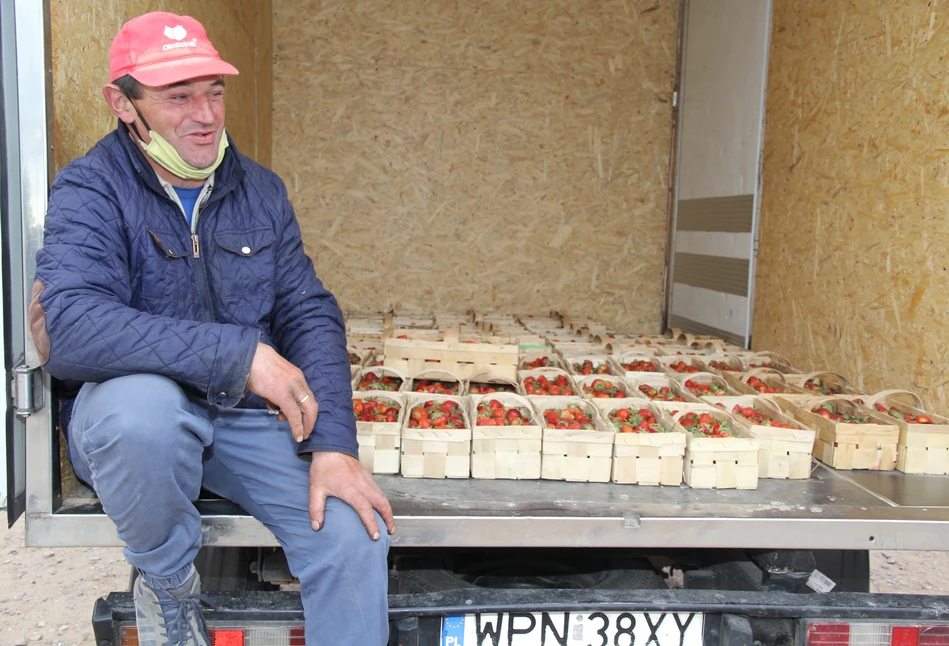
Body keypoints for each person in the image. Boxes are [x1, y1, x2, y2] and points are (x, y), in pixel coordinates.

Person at [29, 12, 394, 646]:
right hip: (130, 429)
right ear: (123, 103)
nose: (205, 115)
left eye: (214, 91)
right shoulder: (90, 189)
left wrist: (334, 444)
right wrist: (241, 354)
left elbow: (308, 311)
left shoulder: (259, 191)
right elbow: (71, 324)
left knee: (351, 528)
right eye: (179, 97)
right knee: (145, 410)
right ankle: (169, 589)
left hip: (235, 420)